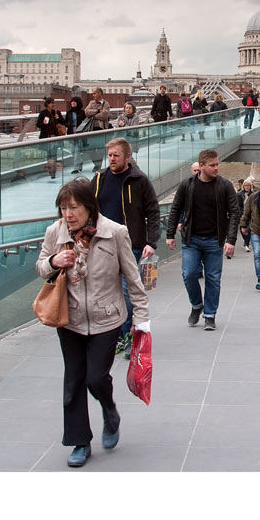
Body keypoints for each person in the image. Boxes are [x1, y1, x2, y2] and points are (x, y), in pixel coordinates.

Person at [35, 179, 150, 468]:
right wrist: (54, 260)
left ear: (89, 207)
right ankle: (80, 441)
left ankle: (109, 409)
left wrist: (142, 319)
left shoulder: (115, 233)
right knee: (73, 380)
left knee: (95, 377)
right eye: (63, 208)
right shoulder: (55, 233)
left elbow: (133, 279)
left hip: (107, 317)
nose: (68, 214)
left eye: (73, 207)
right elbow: (40, 266)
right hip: (69, 317)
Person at [92, 137, 159, 359]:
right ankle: (118, 334)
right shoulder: (100, 179)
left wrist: (152, 242)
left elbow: (153, 211)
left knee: (127, 293)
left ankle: (128, 335)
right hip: (103, 245)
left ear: (127, 157)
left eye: (116, 155)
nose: (111, 159)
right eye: (109, 155)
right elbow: (87, 206)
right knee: (107, 294)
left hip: (133, 245)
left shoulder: (138, 180)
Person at [166, 149, 240, 331]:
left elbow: (234, 212)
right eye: (212, 165)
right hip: (192, 239)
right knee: (189, 274)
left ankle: (210, 314)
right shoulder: (187, 185)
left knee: (213, 278)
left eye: (217, 164)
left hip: (215, 240)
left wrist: (231, 239)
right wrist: (169, 235)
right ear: (201, 167)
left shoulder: (224, 185)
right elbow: (175, 209)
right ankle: (197, 304)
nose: (216, 168)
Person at [237, 178, 256, 251]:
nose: (247, 187)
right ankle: (246, 240)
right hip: (242, 214)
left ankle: (246, 244)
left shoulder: (253, 194)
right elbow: (238, 205)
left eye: (248, 185)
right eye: (245, 185)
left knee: (248, 228)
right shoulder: (239, 194)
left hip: (251, 214)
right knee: (242, 229)